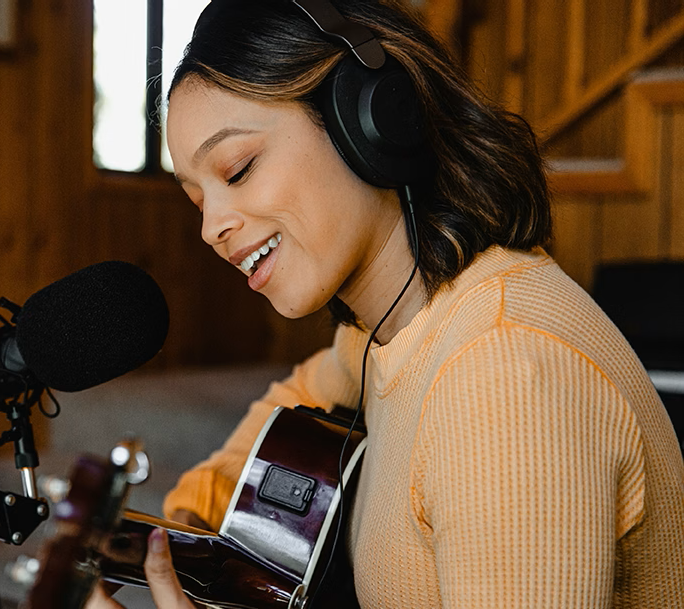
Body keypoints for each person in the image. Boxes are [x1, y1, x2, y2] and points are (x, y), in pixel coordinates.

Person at [87, 0, 684, 607]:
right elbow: (299, 393)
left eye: (237, 170)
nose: (212, 228)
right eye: (196, 201)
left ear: (368, 119)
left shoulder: (503, 373)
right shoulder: (390, 330)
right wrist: (190, 517)